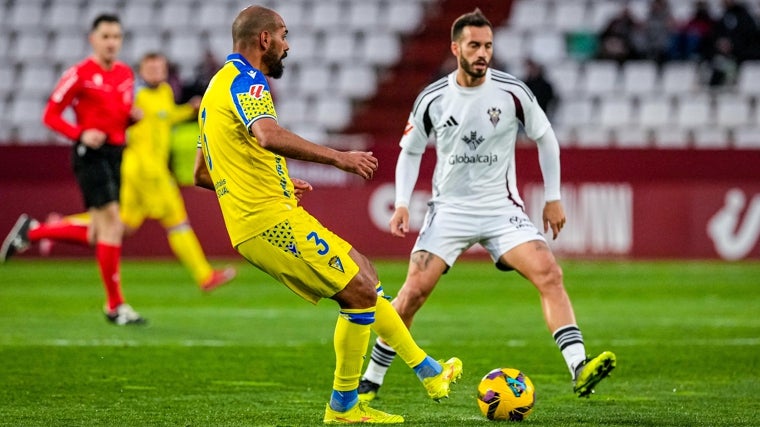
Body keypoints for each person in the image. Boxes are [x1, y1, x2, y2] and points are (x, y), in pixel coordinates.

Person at [192, 5, 462, 424]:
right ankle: (345, 408)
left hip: (265, 214)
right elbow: (267, 135)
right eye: (282, 35)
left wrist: (274, 181)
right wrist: (338, 158)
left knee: (365, 276)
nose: (287, 44)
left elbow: (203, 173)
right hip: (270, 221)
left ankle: (428, 372)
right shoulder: (248, 80)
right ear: (264, 39)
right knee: (357, 295)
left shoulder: (214, 90)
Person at [358, 9, 616, 402]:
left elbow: (546, 138)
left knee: (549, 272)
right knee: (412, 294)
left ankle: (579, 367)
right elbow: (410, 152)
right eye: (474, 45)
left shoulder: (513, 91)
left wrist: (553, 197)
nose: (483, 53)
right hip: (450, 211)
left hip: (501, 210)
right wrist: (402, 203)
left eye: (488, 46)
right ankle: (373, 378)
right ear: (455, 48)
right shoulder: (433, 97)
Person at [14, 52, 237, 292]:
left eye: (159, 68)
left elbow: (165, 117)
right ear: (141, 71)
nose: (155, 73)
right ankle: (204, 276)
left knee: (119, 227)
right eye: (150, 69)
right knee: (177, 222)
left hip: (147, 171)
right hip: (144, 170)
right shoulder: (135, 95)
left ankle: (48, 229)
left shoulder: (163, 92)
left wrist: (187, 111)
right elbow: (116, 115)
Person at [1, 14, 145, 325]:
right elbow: (50, 115)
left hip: (116, 154)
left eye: (116, 37)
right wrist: (80, 133)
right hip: (89, 154)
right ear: (92, 39)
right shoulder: (78, 74)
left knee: (98, 233)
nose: (111, 42)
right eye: (105, 36)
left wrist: (132, 118)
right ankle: (115, 305)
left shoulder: (124, 74)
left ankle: (33, 231)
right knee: (112, 226)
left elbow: (117, 115)